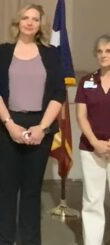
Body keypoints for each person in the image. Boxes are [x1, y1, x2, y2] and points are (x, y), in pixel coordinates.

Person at [0, 4, 66, 245]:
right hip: (9, 122)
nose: (30, 22)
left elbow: (58, 93)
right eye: (25, 18)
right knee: (6, 191)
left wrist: (42, 128)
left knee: (32, 192)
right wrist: (10, 125)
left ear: (40, 25)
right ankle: (2, 241)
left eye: (35, 19)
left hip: (39, 126)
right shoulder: (2, 52)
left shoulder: (51, 53)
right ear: (18, 22)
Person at [75, 34, 110, 245]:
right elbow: (81, 115)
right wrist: (96, 143)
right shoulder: (87, 81)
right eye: (100, 51)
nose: (104, 55)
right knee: (92, 200)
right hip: (91, 148)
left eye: (108, 51)